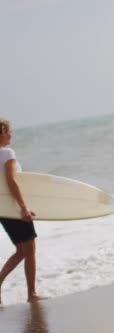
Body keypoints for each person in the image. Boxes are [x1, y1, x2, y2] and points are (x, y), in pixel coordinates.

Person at [0, 119, 46, 304]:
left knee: (21, 251)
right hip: (14, 209)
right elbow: (11, 181)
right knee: (29, 250)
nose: (11, 134)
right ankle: (32, 294)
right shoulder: (7, 153)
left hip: (3, 210)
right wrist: (23, 207)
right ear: (2, 133)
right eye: (9, 131)